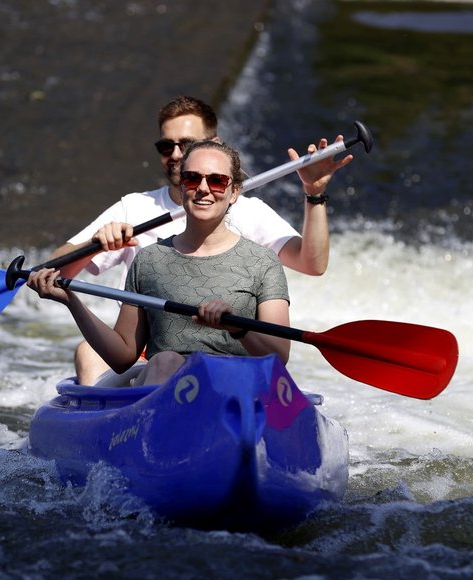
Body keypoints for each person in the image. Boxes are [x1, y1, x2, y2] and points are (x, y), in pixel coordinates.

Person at [50, 95, 352, 384]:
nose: (177, 155)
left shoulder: (252, 219)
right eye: (166, 146)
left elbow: (312, 263)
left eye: (187, 145)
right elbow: (54, 272)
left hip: (230, 363)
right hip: (148, 358)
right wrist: (95, 244)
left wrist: (314, 195)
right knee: (92, 353)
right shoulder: (134, 208)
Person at [27, 140, 290, 388]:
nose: (203, 188)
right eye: (192, 178)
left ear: (234, 192)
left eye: (217, 180)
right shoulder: (149, 259)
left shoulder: (262, 262)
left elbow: (279, 356)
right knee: (166, 360)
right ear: (182, 185)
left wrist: (238, 327)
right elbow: (123, 356)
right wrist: (71, 300)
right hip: (164, 387)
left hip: (234, 391)